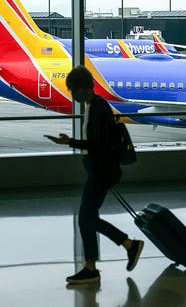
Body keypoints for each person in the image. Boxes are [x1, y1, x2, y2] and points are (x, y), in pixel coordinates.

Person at [45, 65, 144, 285]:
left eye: (74, 90)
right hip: (99, 170)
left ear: (83, 88)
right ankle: (120, 250)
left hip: (101, 172)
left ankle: (105, 260)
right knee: (88, 218)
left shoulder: (99, 107)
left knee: (85, 218)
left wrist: (69, 141)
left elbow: (98, 145)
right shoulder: (94, 106)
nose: (73, 95)